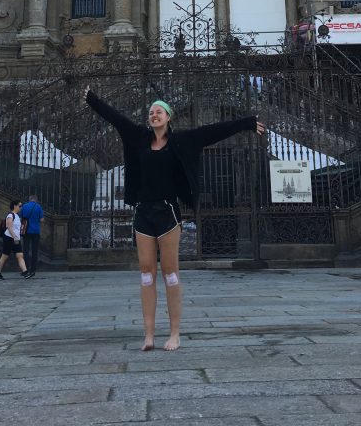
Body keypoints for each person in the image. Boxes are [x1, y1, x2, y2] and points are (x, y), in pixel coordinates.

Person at [84, 88, 265, 352]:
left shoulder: (182, 141)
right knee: (146, 274)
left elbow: (213, 131)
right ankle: (148, 335)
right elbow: (115, 117)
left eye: (159, 111)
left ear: (168, 117)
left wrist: (246, 123)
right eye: (151, 112)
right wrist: (91, 99)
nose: (154, 114)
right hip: (143, 213)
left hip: (167, 212)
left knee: (170, 274)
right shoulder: (138, 138)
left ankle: (175, 333)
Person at [0, 200, 31, 280]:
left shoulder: (17, 216)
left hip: (16, 239)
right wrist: (14, 236)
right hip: (9, 238)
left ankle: (25, 272)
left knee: (20, 255)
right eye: (20, 206)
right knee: (4, 256)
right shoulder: (10, 215)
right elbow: (9, 227)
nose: (21, 208)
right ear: (15, 206)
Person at [20, 193, 44, 278]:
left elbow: (21, 217)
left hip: (26, 231)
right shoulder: (38, 207)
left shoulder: (24, 206)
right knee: (34, 251)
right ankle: (33, 270)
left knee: (25, 251)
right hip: (35, 231)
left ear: (29, 199)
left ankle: (25, 269)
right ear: (36, 199)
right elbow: (41, 220)